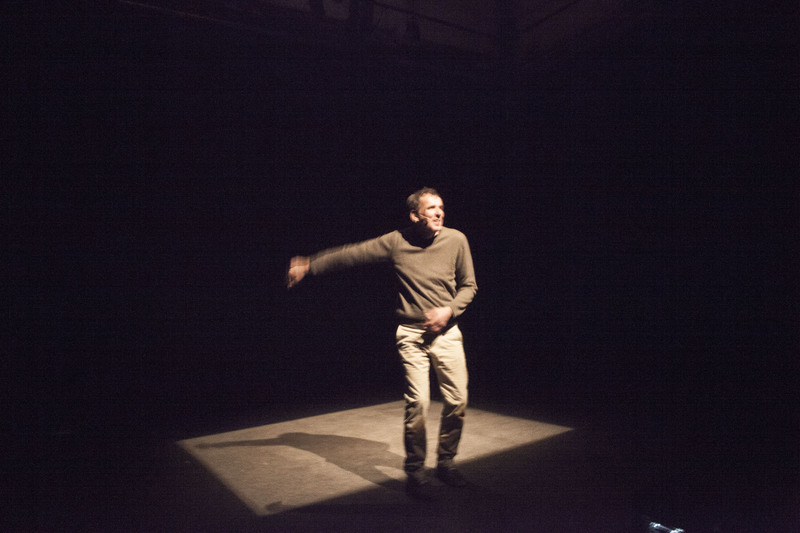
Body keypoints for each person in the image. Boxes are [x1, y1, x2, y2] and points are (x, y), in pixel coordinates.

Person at [286, 187, 477, 497]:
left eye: (441, 206)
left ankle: (446, 462)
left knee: (458, 401)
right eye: (431, 208)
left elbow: (469, 286)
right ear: (414, 215)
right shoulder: (396, 242)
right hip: (412, 335)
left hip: (447, 334)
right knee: (418, 404)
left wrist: (448, 310)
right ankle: (416, 471)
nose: (439, 212)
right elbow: (355, 253)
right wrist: (311, 264)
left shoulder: (457, 240)